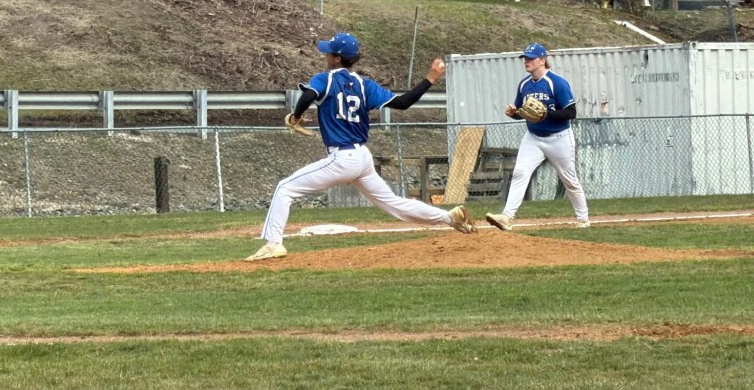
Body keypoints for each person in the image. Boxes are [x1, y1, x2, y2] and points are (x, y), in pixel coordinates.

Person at [246, 32, 490, 262]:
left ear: (337, 58)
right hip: (361, 157)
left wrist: (296, 116)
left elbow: (309, 95)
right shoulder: (365, 85)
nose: (326, 56)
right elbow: (403, 103)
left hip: (342, 157)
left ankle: (273, 243)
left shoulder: (326, 78)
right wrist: (431, 79)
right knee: (393, 203)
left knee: (285, 188)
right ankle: (449, 217)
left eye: (329, 53)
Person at [485, 43, 589, 231]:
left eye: (531, 58)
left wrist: (547, 115)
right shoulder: (524, 85)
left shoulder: (556, 83)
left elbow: (571, 112)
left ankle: (583, 219)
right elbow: (522, 111)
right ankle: (507, 217)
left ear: (543, 60)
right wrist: (514, 113)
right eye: (525, 58)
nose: (527, 61)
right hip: (533, 137)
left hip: (559, 138)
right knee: (520, 173)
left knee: (569, 180)